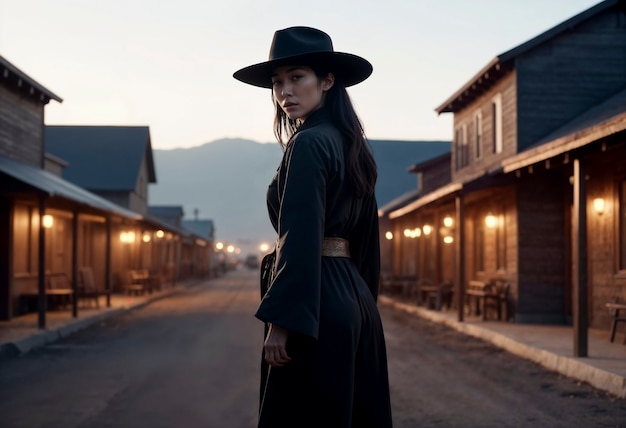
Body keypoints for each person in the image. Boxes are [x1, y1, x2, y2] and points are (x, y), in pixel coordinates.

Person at [233, 26, 393, 428]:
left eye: (296, 77)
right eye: (277, 82)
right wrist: (364, 306)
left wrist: (282, 323)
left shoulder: (308, 143)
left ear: (327, 80)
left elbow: (300, 237)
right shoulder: (352, 143)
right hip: (353, 304)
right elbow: (367, 245)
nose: (284, 91)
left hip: (315, 309)